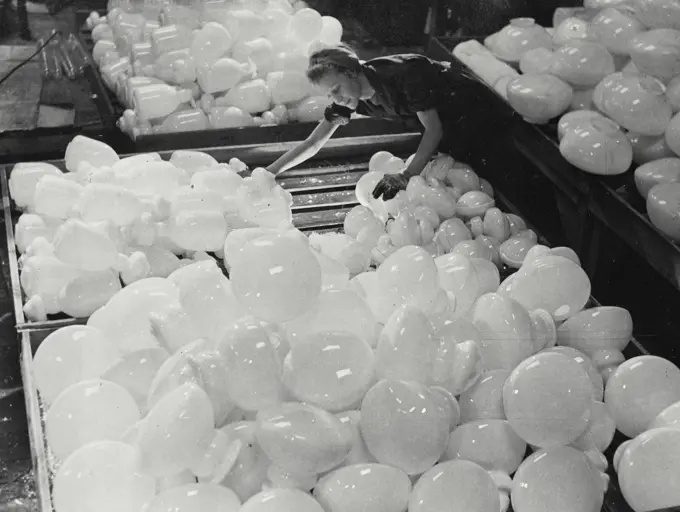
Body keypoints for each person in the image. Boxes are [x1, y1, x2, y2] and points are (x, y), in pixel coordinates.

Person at [265, 44, 482, 200]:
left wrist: (405, 176)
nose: (337, 99)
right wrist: (268, 173)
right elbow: (312, 143)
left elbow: (433, 129)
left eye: (336, 90)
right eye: (330, 96)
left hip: (476, 111)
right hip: (449, 129)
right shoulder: (350, 97)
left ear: (351, 72)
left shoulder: (406, 73)